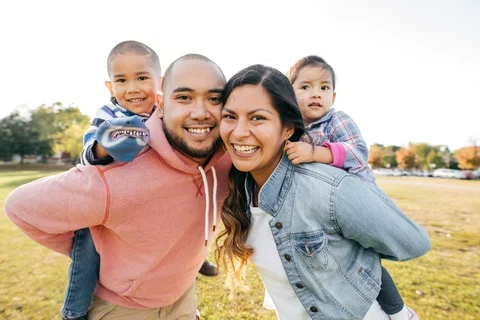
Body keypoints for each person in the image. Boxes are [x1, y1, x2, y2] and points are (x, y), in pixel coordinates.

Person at [5, 53, 231, 320]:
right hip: (122, 309)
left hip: (183, 297)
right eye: (183, 97)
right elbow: (19, 207)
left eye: (214, 98)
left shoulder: (228, 159)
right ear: (160, 102)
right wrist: (105, 252)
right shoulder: (115, 174)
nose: (200, 112)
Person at [216, 64, 431, 320]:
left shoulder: (328, 188)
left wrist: (358, 254)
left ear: (288, 129)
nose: (239, 132)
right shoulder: (241, 187)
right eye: (230, 116)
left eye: (257, 118)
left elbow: (414, 242)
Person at [283, 55, 414, 319]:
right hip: (321, 210)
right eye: (305, 87)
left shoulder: (337, 120)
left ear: (333, 95)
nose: (316, 94)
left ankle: (399, 313)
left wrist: (314, 152)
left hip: (356, 202)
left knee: (364, 262)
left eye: (324, 87)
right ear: (289, 92)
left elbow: (358, 153)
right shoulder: (290, 129)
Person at [60, 39, 162, 320]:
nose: (132, 87)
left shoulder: (164, 114)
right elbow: (86, 155)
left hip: (148, 199)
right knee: (87, 250)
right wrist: (105, 145)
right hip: (102, 200)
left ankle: (197, 263)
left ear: (160, 82)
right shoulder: (109, 114)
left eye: (142, 77)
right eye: (122, 80)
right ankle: (74, 311)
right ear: (110, 87)